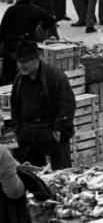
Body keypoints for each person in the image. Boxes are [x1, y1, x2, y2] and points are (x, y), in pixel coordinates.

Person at [10, 40, 75, 169]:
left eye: (25, 61)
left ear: (36, 59)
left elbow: (67, 105)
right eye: (19, 62)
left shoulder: (56, 76)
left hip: (51, 131)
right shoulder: (19, 79)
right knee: (32, 177)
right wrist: (19, 131)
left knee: (61, 174)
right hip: (28, 134)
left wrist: (59, 130)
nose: (22, 65)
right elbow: (15, 107)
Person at [0, 0, 57, 85]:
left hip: (12, 47)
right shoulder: (35, 9)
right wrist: (40, 28)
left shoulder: (12, 10)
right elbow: (50, 19)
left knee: (9, 77)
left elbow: (2, 31)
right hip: (29, 45)